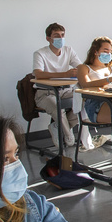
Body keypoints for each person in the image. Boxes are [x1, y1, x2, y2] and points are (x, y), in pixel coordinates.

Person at [32, 23, 91, 154]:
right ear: (48, 38)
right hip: (45, 93)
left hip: (65, 90)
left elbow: (81, 68)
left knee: (84, 100)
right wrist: (64, 74)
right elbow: (38, 73)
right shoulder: (40, 53)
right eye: (56, 36)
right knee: (57, 107)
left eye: (62, 35)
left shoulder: (68, 50)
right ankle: (69, 137)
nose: (60, 38)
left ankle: (57, 127)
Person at [76, 37, 112, 147]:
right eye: (105, 51)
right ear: (95, 51)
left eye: (110, 52)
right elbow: (85, 84)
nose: (108, 54)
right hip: (95, 106)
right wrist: (110, 80)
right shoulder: (84, 68)